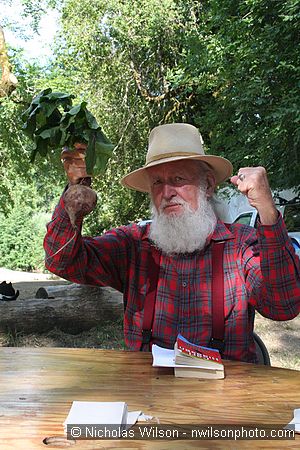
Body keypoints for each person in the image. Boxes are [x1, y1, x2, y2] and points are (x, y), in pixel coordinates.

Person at [44, 123, 300, 363]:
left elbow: (284, 306)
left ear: (208, 185)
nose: (166, 193)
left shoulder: (241, 244)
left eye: (178, 179)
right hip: (148, 399)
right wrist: (72, 203)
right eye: (157, 182)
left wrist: (267, 210)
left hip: (225, 400)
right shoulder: (135, 244)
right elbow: (62, 262)